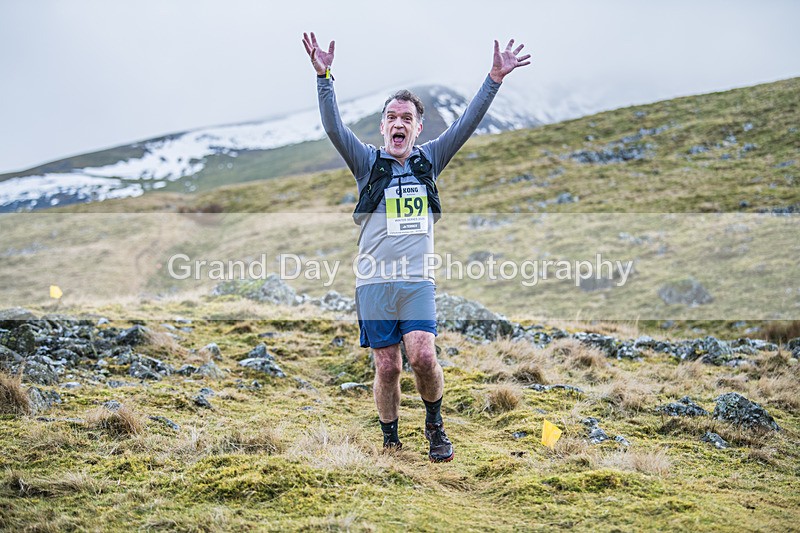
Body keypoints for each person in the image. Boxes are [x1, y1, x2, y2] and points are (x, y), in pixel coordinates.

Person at [302, 31, 531, 462]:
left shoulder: (430, 159)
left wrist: (494, 79)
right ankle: (390, 439)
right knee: (387, 366)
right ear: (383, 126)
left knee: (423, 355)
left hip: (416, 282)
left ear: (418, 127)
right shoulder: (367, 163)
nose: (399, 123)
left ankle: (435, 425)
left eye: (407, 117)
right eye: (391, 117)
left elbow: (466, 124)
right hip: (374, 283)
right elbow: (333, 127)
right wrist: (324, 77)